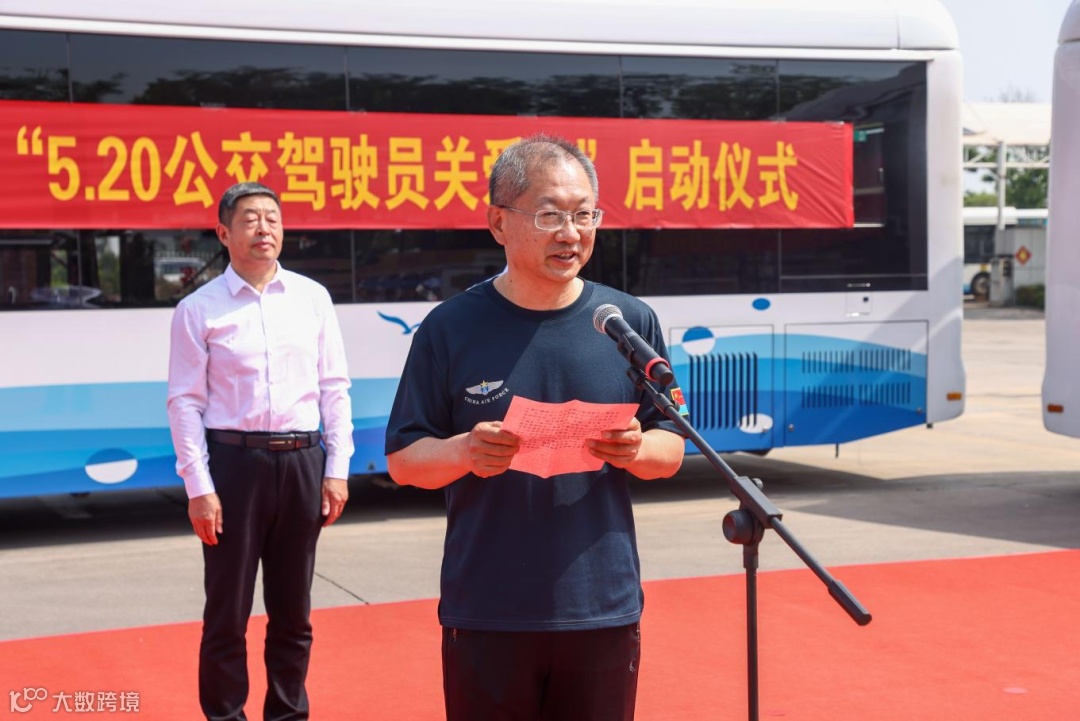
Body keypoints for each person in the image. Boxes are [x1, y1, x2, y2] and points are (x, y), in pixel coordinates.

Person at [385, 134, 685, 720]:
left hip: (601, 605)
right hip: (488, 609)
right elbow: (403, 461)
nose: (570, 233)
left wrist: (635, 448)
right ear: (499, 222)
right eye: (550, 215)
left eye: (584, 215)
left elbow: (671, 447)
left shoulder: (627, 323)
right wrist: (465, 451)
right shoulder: (450, 328)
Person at [166, 182, 354, 721]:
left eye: (272, 218)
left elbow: (334, 388)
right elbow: (184, 403)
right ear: (224, 233)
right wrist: (199, 487)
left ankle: (288, 713)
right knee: (227, 611)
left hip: (302, 461)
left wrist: (337, 469)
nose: (264, 229)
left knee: (294, 612)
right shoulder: (198, 309)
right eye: (250, 219)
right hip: (234, 467)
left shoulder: (312, 298)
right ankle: (226, 715)